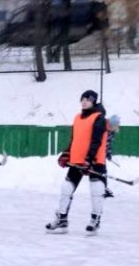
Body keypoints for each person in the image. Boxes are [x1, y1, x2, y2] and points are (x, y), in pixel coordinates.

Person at [47, 90, 109, 234]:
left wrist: (89, 160)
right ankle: (62, 219)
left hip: (94, 161)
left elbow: (96, 141)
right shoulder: (77, 118)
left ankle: (95, 220)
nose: (84, 102)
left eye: (87, 99)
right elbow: (75, 139)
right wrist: (66, 154)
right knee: (66, 188)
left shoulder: (99, 118)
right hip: (77, 160)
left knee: (96, 190)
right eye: (82, 99)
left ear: (93, 101)